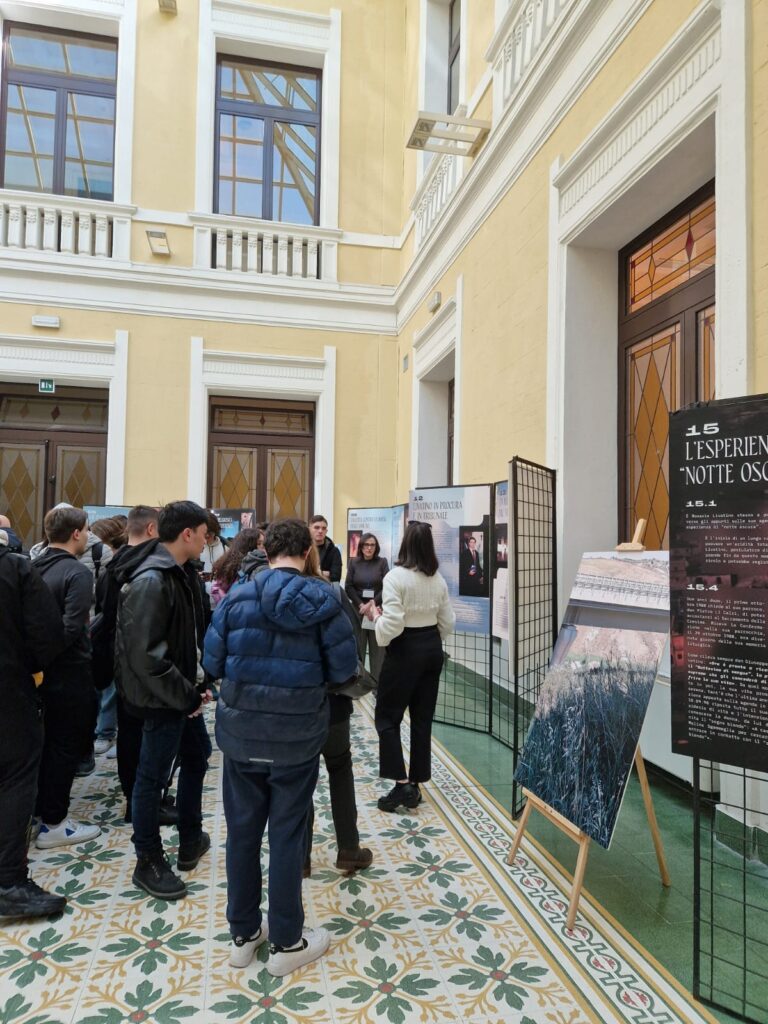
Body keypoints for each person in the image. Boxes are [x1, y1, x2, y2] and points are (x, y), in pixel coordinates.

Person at [204, 518, 357, 977]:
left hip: (242, 735)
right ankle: (288, 940)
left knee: (242, 834)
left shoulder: (236, 597)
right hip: (296, 737)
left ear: (267, 549)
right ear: (309, 551)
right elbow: (343, 670)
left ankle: (244, 934)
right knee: (288, 835)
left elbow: (211, 660)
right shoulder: (326, 600)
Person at [115, 501, 212, 901]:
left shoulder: (178, 574)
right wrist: (185, 694)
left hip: (179, 694)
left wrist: (195, 686)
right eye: (204, 534)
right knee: (151, 780)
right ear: (187, 534)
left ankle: (190, 835)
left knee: (197, 755)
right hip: (162, 699)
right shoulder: (153, 579)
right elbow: (146, 657)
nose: (208, 541)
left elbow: (182, 641)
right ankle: (148, 860)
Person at [94, 506, 177, 827]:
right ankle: (140, 802)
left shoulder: (113, 564)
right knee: (139, 737)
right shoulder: (141, 566)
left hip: (123, 660)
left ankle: (142, 797)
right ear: (153, 528)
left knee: (133, 734)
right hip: (138, 663)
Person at [366, 521, 455, 813]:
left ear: (405, 543)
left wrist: (375, 617)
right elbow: (448, 622)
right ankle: (416, 782)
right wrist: (430, 640)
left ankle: (402, 784)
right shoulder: (437, 579)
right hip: (431, 648)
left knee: (387, 717)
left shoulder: (395, 578)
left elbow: (392, 625)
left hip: (405, 650)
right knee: (422, 718)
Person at [0, 528, 66, 918]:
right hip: (8, 693)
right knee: (15, 778)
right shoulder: (14, 569)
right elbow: (48, 634)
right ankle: (8, 882)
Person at [33, 506, 102, 848]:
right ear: (76, 533)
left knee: (46, 744)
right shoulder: (77, 573)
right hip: (69, 671)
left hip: (38, 673)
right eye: (87, 529)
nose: (88, 535)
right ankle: (54, 823)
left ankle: (40, 809)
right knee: (64, 746)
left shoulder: (33, 566)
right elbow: (73, 627)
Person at [303, 544, 373, 878]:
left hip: (297, 706)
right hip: (332, 702)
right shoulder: (331, 593)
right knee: (340, 769)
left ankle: (300, 856)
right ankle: (348, 848)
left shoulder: (270, 594)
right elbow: (351, 647)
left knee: (300, 778)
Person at [90, 517, 129, 757]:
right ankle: (103, 731)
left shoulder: (112, 562)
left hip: (106, 628)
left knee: (110, 687)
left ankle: (105, 732)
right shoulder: (105, 559)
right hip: (100, 628)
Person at [344, 532, 389, 680]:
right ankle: (359, 682)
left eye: (372, 545)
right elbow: (348, 586)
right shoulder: (353, 562)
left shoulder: (382, 562)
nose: (369, 548)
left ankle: (377, 685)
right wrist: (361, 605)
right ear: (361, 546)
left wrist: (372, 604)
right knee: (359, 648)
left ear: (376, 547)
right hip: (359, 611)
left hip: (377, 611)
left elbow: (387, 586)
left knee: (378, 650)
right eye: (366, 545)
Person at [210, 528, 264, 606]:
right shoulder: (232, 566)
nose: (263, 547)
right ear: (248, 545)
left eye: (264, 543)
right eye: (259, 544)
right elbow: (217, 589)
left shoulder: (265, 563)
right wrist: (230, 606)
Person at [309, 514, 342, 582]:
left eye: (323, 528)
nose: (320, 531)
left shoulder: (334, 551)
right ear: (309, 529)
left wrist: (316, 573)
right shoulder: (303, 548)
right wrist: (324, 573)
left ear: (326, 531)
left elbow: (336, 577)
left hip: (326, 590)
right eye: (316, 527)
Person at [201, 510, 227, 580]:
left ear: (215, 530)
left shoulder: (226, 546)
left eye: (210, 532)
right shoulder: (195, 547)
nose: (207, 535)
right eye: (204, 532)